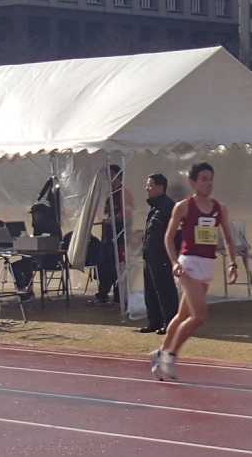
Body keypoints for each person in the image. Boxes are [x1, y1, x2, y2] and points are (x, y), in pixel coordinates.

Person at [150, 162, 238, 381]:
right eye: (204, 179)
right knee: (200, 316)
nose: (209, 184)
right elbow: (168, 237)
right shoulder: (184, 206)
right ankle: (171, 355)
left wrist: (233, 263)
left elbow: (228, 237)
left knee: (184, 315)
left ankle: (159, 353)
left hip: (208, 264)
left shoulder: (220, 209)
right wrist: (174, 262)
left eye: (211, 179)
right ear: (193, 182)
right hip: (188, 263)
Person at [88, 164, 134, 306]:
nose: (110, 178)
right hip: (108, 238)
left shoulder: (124, 193)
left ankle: (120, 297)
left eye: (112, 175)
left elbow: (128, 213)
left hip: (120, 238)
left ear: (119, 177)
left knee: (118, 268)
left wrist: (114, 219)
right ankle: (102, 295)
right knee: (105, 267)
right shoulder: (111, 194)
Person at [140, 174, 179, 335]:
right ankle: (154, 321)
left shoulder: (168, 207)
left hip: (162, 257)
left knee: (165, 290)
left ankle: (170, 323)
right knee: (150, 291)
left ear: (161, 187)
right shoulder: (155, 207)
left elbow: (175, 234)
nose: (147, 188)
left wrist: (172, 256)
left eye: (150, 185)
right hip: (150, 256)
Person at [12, 202, 62, 300]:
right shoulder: (41, 225)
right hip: (42, 258)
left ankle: (26, 292)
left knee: (18, 266)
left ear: (41, 214)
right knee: (24, 264)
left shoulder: (48, 225)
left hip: (49, 259)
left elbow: (45, 242)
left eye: (35, 213)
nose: (34, 216)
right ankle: (27, 290)